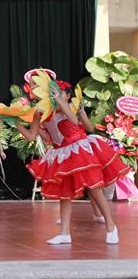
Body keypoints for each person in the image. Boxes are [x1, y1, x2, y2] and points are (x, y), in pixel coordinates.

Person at [16, 80, 128, 245]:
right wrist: (15, 122)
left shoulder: (63, 106)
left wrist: (60, 102)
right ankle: (64, 233)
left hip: (79, 150)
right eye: (32, 86)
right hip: (62, 154)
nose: (33, 88)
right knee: (65, 193)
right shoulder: (39, 112)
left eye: (35, 84)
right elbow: (36, 137)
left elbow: (76, 122)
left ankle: (111, 226)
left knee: (94, 189)